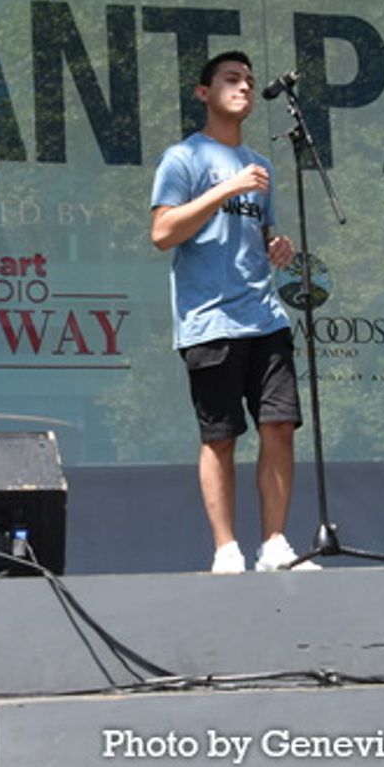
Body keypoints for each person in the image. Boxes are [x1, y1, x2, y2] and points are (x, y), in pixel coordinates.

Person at [149, 50, 316, 574]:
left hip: (264, 315)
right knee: (220, 436)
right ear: (204, 93)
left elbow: (255, 232)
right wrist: (226, 187)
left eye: (247, 80)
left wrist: (277, 245)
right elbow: (163, 232)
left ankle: (275, 544)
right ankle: (226, 548)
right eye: (230, 79)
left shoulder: (261, 165)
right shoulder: (185, 158)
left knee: (280, 425)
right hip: (209, 319)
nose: (244, 87)